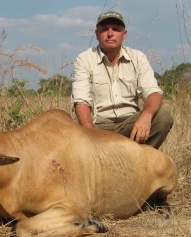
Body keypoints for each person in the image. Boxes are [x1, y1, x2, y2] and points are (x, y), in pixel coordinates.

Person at [71, 10, 173, 149]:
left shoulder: (138, 57)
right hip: (99, 126)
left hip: (130, 124)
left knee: (163, 118)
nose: (110, 33)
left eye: (116, 29)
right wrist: (90, 134)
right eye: (105, 29)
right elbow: (81, 100)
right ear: (96, 34)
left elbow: (153, 93)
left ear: (124, 35)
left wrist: (146, 115)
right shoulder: (84, 59)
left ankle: (139, 164)